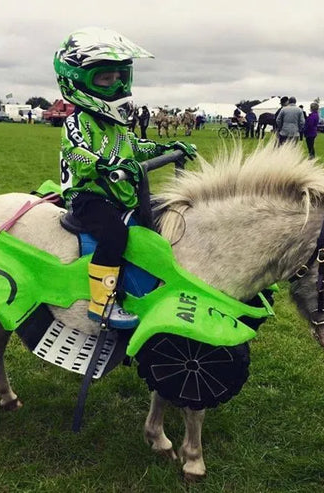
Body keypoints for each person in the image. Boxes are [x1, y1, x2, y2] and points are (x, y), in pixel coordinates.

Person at [54, 27, 197, 329]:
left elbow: (136, 146)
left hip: (118, 193)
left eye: (121, 76)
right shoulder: (77, 121)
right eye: (106, 78)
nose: (117, 84)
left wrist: (167, 148)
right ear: (77, 81)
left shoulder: (116, 125)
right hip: (88, 196)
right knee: (114, 234)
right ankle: (102, 304)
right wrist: (107, 165)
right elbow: (78, 155)